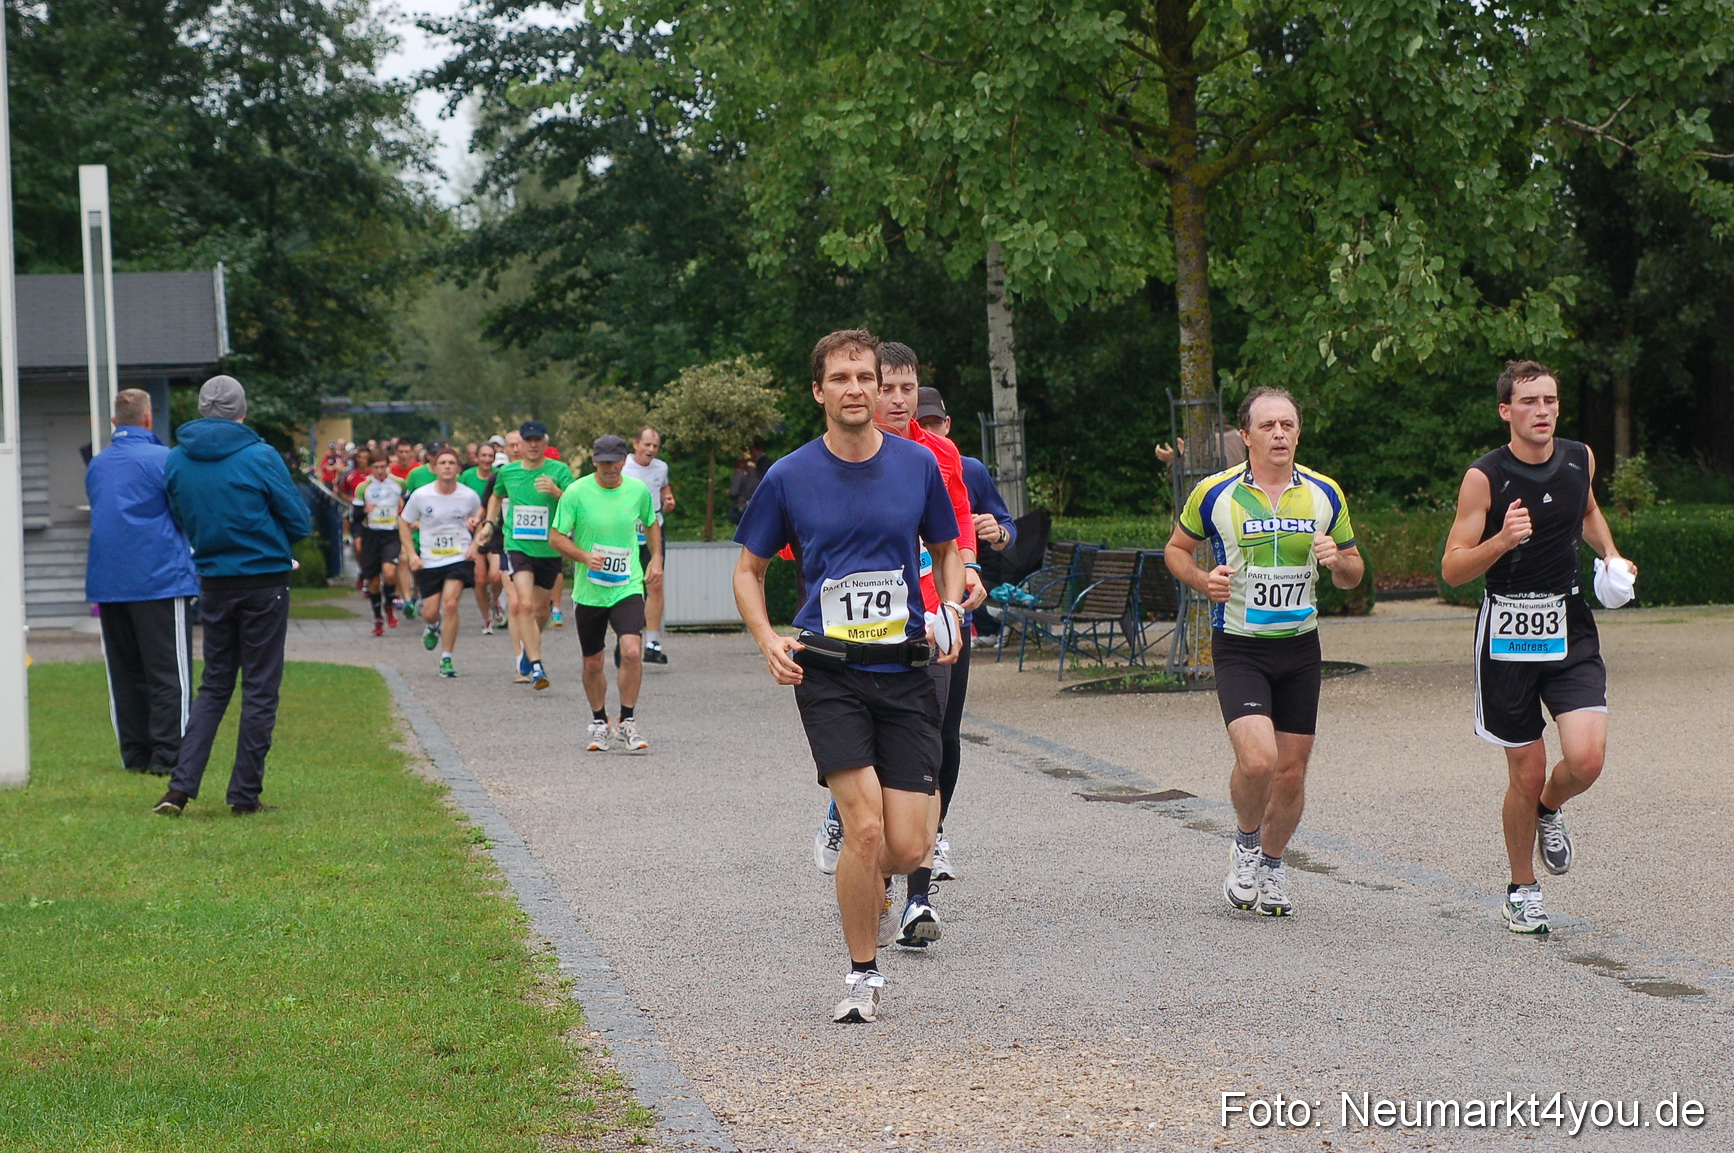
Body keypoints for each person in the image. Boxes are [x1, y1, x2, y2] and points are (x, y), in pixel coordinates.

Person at [735, 329, 964, 1024]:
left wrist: (949, 606)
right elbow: (749, 570)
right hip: (828, 669)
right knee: (865, 830)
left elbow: (948, 548)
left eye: (865, 376)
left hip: (905, 668)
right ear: (819, 391)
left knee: (910, 844)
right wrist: (768, 636)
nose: (857, 389)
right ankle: (863, 973)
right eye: (841, 378)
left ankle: (868, 877)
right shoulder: (790, 476)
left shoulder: (916, 466)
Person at [1441, 361, 1634, 934]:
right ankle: (1522, 890)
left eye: (1550, 400)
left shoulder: (1580, 458)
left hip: (1570, 625)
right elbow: (1451, 569)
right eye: (1529, 402)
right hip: (1507, 633)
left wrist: (1611, 556)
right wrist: (1502, 539)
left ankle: (1550, 809)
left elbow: (1588, 509)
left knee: (1587, 759)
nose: (1543, 411)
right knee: (1524, 771)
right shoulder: (1485, 478)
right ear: (1506, 411)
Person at [1162, 386, 1363, 918]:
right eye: (1268, 425)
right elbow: (1175, 550)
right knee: (1258, 760)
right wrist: (1204, 581)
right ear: (1245, 434)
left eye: (1288, 425)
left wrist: (1336, 561)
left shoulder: (1324, 494)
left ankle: (1272, 865)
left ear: (1298, 433)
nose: (1279, 434)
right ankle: (1246, 844)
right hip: (1240, 647)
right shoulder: (1214, 492)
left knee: (1292, 772)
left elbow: (1353, 572)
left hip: (1300, 647)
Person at [153, 376, 311, 817]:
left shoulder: (177, 460)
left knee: (215, 686)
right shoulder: (259, 455)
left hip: (214, 580)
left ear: (203, 409)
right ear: (241, 410)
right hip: (264, 581)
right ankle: (244, 794)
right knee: (259, 688)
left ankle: (179, 788)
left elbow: (179, 515)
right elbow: (298, 521)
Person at [913, 385, 1016, 879]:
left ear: (947, 425)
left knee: (945, 733)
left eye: (935, 424)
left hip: (956, 612)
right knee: (915, 729)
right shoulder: (882, 459)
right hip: (900, 617)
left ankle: (935, 833)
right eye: (921, 422)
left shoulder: (964, 467)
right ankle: (909, 848)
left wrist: (995, 533)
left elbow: (1004, 524)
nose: (928, 432)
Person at [85, 388, 201, 776]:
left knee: (125, 672)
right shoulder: (165, 460)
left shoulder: (98, 465)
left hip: (109, 580)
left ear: (115, 422)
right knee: (170, 673)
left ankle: (135, 756)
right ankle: (170, 757)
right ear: (148, 420)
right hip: (160, 577)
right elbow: (184, 512)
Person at [551, 434, 662, 750]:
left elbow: (651, 523)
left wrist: (656, 557)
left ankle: (627, 720)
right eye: (604, 463)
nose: (611, 468)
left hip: (627, 584)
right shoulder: (576, 492)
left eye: (616, 461)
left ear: (624, 460)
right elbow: (556, 537)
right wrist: (585, 557)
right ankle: (600, 721)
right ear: (594, 460)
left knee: (630, 650)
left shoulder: (637, 491)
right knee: (593, 663)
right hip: (590, 591)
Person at [488, 419, 573, 689]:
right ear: (520, 445)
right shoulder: (508, 472)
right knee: (523, 604)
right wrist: (489, 524)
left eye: (538, 441)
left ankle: (528, 651)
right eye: (528, 441)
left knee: (539, 610)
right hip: (517, 545)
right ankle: (536, 666)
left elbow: (577, 502)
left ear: (545, 444)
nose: (533, 445)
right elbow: (495, 495)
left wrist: (557, 491)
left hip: (549, 548)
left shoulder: (559, 470)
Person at [399, 447, 483, 678]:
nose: (447, 466)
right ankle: (433, 626)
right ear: (434, 468)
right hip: (429, 560)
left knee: (451, 604)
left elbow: (483, 522)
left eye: (451, 463)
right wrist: (411, 554)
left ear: (458, 468)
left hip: (459, 557)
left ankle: (447, 658)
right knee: (430, 612)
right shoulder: (421, 495)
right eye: (442, 463)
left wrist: (475, 544)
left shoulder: (469, 496)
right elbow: (404, 523)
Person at [622, 426, 676, 663]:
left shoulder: (661, 467)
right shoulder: (622, 466)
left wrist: (668, 498)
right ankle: (625, 637)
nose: (651, 450)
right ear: (635, 444)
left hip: (653, 526)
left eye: (655, 446)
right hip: (626, 530)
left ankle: (652, 641)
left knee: (655, 582)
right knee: (627, 584)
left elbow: (663, 487)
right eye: (646, 445)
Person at [357, 455, 405, 635]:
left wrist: (403, 508)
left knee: (390, 572)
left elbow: (408, 502)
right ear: (370, 468)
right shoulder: (363, 488)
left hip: (391, 534)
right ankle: (378, 618)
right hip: (371, 535)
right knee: (374, 582)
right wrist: (364, 511)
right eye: (376, 467)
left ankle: (390, 604)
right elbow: (355, 517)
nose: (380, 470)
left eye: (383, 466)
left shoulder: (399, 484)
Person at [460, 447, 504, 633]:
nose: (487, 459)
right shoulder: (467, 477)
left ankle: (494, 599)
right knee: (480, 579)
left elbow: (489, 505)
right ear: (476, 458)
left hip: (495, 529)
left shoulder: (498, 478)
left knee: (495, 576)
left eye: (490, 456)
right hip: (473, 530)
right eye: (483, 456)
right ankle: (486, 620)